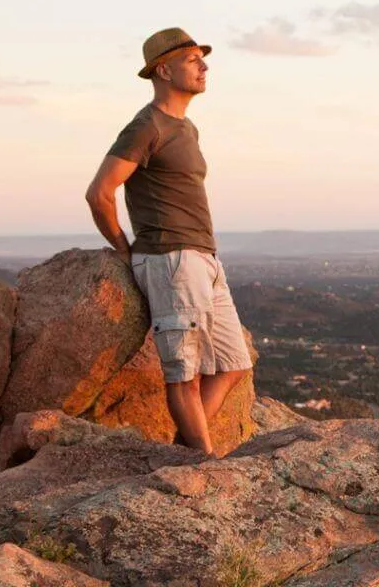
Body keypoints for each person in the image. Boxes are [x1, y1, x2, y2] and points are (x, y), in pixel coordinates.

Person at [83, 27, 252, 456]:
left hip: (203, 257)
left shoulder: (186, 128)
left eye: (202, 59)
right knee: (184, 374)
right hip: (170, 259)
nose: (204, 66)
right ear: (164, 69)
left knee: (234, 365)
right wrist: (125, 249)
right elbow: (100, 192)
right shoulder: (146, 126)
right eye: (193, 59)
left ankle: (188, 452)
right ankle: (203, 464)